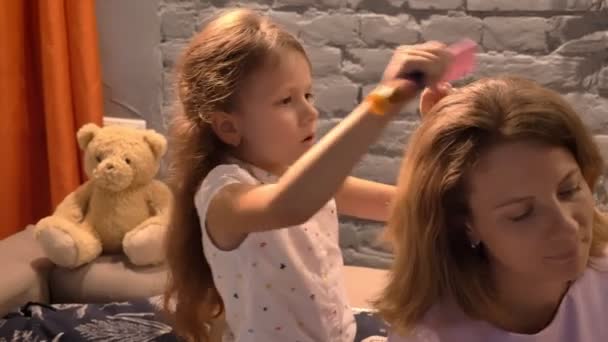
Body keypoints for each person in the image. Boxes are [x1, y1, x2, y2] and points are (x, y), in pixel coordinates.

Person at [162, 8, 453, 342]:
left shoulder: (296, 176)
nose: (310, 112)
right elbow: (289, 205)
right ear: (229, 126)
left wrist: (439, 128)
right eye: (286, 100)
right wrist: (386, 99)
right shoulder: (224, 194)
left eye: (308, 95)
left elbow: (403, 203)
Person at [376, 76, 608, 341]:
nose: (567, 225)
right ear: (464, 224)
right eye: (522, 214)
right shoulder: (432, 334)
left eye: (569, 190)